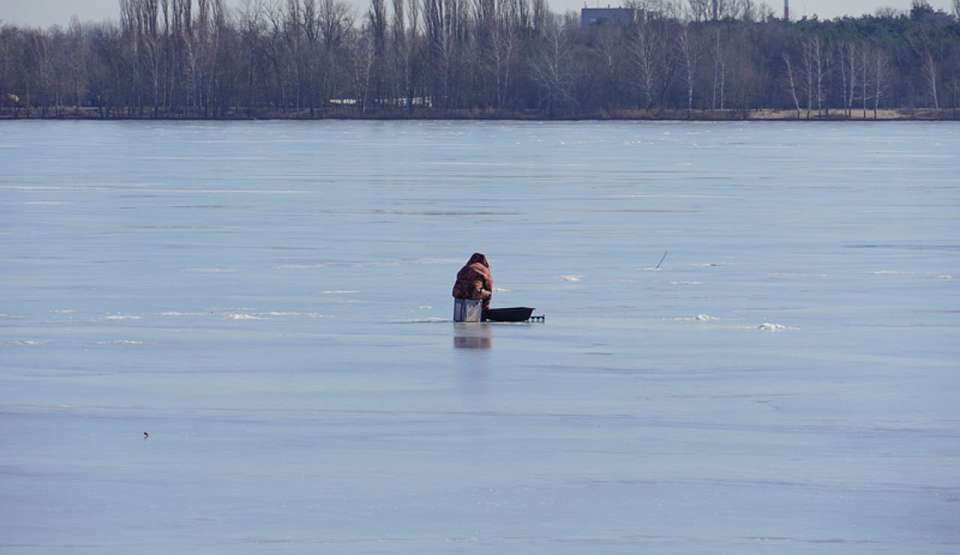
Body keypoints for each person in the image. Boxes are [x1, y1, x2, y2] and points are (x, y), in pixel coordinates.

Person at [452, 253, 493, 322]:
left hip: (458, 293)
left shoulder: (464, 268)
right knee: (488, 293)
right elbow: (489, 285)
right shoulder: (483, 269)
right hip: (472, 293)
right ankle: (484, 311)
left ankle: (460, 315)